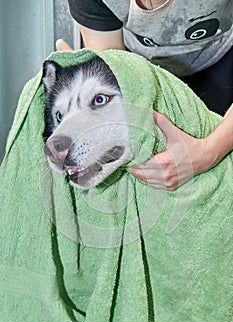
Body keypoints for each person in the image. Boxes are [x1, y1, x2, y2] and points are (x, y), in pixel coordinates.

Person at [56, 0, 233, 190]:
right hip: (139, 64)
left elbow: (207, 153)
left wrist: (207, 153)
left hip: (223, 58)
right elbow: (112, 72)